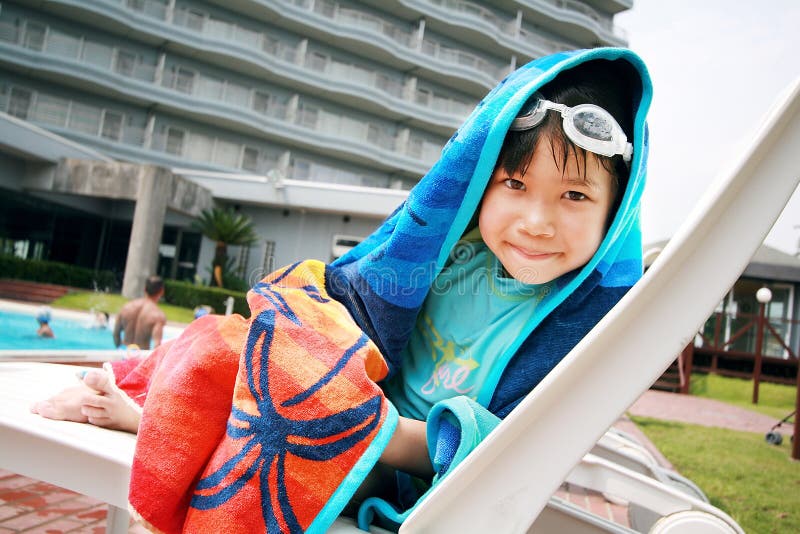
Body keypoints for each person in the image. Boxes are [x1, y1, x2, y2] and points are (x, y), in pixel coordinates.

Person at [31, 48, 651, 529]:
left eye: (574, 196)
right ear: (478, 184)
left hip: (392, 466)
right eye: (514, 184)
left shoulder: (577, 327)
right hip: (342, 399)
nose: (536, 223)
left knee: (288, 431)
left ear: (615, 211)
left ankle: (158, 432)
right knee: (225, 344)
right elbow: (362, 297)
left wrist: (369, 427)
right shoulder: (453, 252)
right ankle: (151, 415)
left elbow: (511, 443)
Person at [112, 275, 166, 350]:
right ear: (162, 291)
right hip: (141, 355)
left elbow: (116, 334)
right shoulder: (158, 315)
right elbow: (157, 345)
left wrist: (120, 350)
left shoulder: (126, 307)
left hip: (123, 352)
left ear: (144, 289)